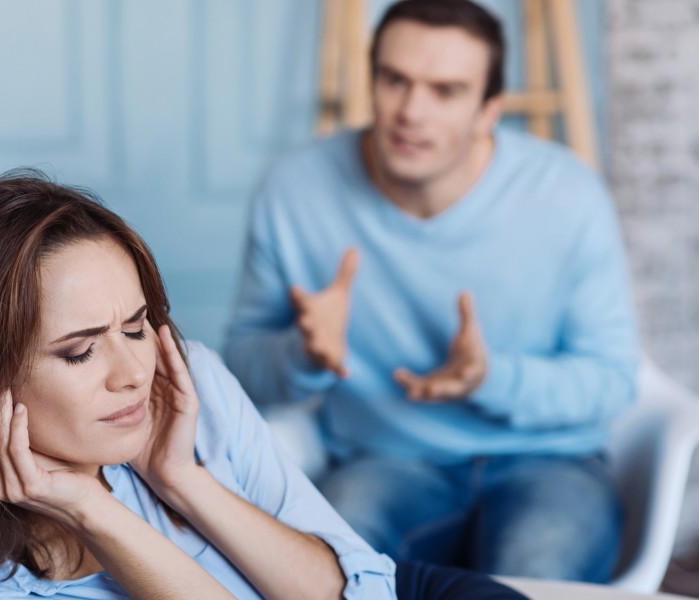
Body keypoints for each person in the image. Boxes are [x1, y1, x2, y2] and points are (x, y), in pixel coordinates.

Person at [224, 0, 638, 584]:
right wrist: (303, 354)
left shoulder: (569, 194)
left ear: (489, 109)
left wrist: (490, 379)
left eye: (445, 91)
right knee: (318, 573)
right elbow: (244, 361)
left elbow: (612, 381)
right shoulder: (295, 189)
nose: (411, 112)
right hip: (383, 459)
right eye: (395, 80)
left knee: (533, 570)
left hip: (549, 462)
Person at [0, 171, 398, 600]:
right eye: (80, 351)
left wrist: (184, 481)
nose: (134, 374)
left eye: (135, 328)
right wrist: (91, 511)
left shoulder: (187, 386)